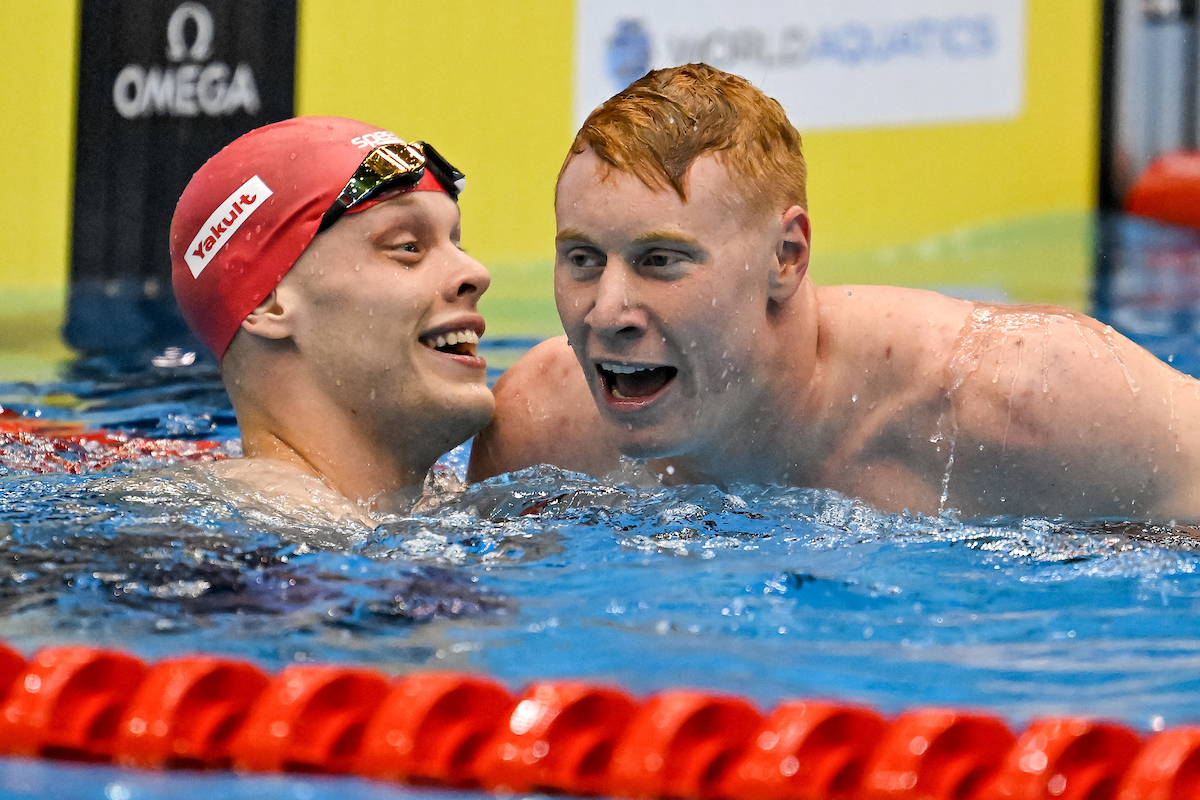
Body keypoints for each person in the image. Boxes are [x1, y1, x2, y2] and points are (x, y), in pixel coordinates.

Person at [468, 63, 1200, 520]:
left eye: (661, 261)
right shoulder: (544, 428)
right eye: (584, 259)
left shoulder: (1021, 397)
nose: (605, 313)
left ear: (785, 257)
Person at [170, 116, 493, 521]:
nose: (476, 274)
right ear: (266, 303)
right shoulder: (218, 527)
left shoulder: (451, 504)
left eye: (457, 243)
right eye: (408, 247)